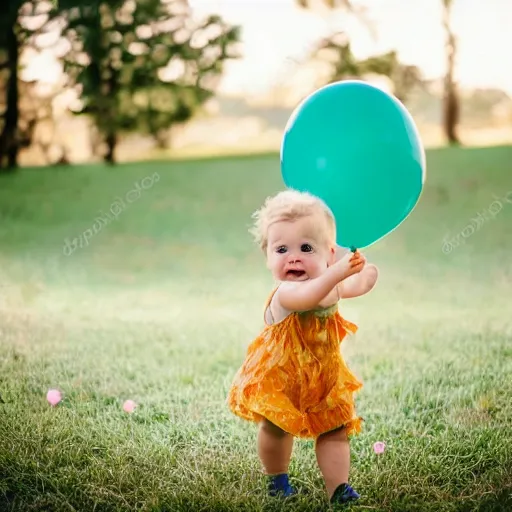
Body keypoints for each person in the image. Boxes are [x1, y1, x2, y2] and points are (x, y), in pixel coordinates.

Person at [226, 189, 379, 506]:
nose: (293, 256)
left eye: (306, 247)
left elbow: (353, 286)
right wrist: (337, 271)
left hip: (323, 375)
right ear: (268, 256)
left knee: (335, 429)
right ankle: (277, 478)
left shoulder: (329, 284)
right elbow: (310, 296)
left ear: (328, 254)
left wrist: (366, 272)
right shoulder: (287, 292)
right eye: (281, 249)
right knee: (278, 428)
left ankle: (339, 489)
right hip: (282, 375)